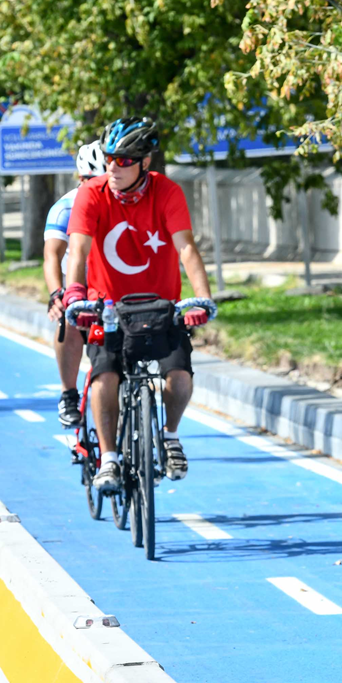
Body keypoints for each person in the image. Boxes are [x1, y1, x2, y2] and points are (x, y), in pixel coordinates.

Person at [61, 117, 213, 492]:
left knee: (180, 376)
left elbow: (186, 247)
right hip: (108, 307)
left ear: (145, 162)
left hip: (162, 307)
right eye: (110, 158)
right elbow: (78, 250)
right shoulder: (92, 193)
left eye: (124, 160)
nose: (113, 167)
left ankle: (171, 437)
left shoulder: (167, 191)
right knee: (104, 376)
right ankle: (109, 459)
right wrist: (74, 293)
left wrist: (202, 297)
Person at [44, 141, 107, 426]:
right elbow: (52, 256)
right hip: (78, 284)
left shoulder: (122, 204)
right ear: (81, 179)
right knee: (68, 320)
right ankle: (68, 393)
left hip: (112, 284)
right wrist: (56, 292)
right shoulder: (65, 208)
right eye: (92, 182)